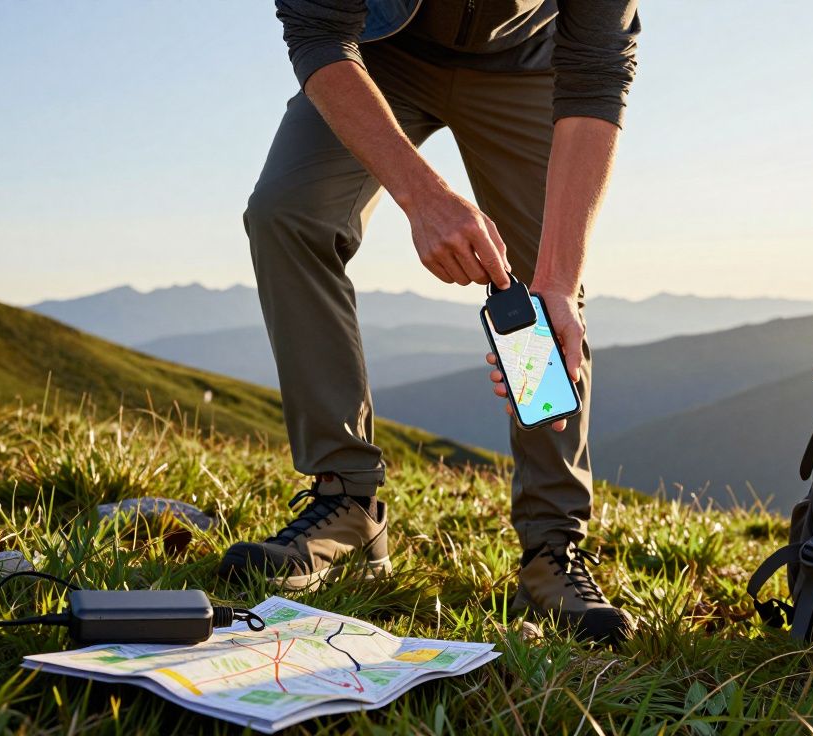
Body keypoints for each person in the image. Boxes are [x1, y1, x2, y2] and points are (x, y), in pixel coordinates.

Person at [218, 0, 640, 644]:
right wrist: (422, 196)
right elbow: (316, 32)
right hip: (379, 53)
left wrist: (555, 280)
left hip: (533, 61)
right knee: (287, 214)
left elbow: (598, 72)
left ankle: (553, 545)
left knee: (547, 291)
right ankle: (348, 502)